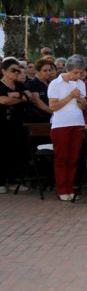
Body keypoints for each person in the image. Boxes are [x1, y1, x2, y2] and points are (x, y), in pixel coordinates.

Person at [47, 55, 87, 201]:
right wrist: (70, 96)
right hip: (60, 125)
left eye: (81, 73)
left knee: (73, 158)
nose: (78, 76)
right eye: (75, 72)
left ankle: (70, 188)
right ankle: (61, 189)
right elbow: (53, 107)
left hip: (77, 123)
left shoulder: (81, 83)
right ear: (67, 69)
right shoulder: (55, 84)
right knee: (62, 158)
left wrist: (80, 100)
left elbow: (84, 107)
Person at [0, 59, 35, 194]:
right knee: (2, 153)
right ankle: (1, 182)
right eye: (13, 70)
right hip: (2, 125)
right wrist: (19, 98)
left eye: (18, 70)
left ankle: (14, 181)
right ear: (4, 71)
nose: (16, 73)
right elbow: (3, 100)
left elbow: (29, 97)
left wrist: (16, 95)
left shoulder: (19, 85)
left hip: (18, 125)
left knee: (18, 152)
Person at [24, 58, 55, 123]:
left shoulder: (51, 83)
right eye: (45, 70)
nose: (48, 72)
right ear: (38, 71)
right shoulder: (32, 83)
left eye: (49, 70)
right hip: (38, 120)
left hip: (52, 118)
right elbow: (37, 101)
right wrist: (53, 112)